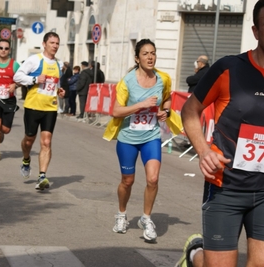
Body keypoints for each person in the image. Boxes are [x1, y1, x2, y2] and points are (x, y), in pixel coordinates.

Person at [175, 1, 264, 266]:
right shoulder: (229, 68)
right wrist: (203, 151)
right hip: (226, 186)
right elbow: (190, 111)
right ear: (256, 31)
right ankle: (194, 255)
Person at [103, 39, 172, 242]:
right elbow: (115, 111)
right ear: (137, 58)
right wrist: (141, 105)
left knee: (153, 178)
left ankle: (146, 218)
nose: (150, 57)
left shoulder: (163, 79)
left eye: (153, 53)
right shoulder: (127, 81)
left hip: (151, 136)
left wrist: (165, 111)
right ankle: (121, 215)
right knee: (128, 181)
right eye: (145, 54)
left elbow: (167, 98)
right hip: (128, 138)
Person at [13, 32, 65, 190]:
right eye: (52, 43)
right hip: (33, 106)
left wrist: (59, 91)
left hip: (50, 108)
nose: (55, 46)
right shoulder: (34, 60)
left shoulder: (59, 64)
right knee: (29, 140)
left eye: (57, 43)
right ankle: (26, 158)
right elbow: (17, 77)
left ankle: (42, 176)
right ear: (44, 44)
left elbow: (53, 85)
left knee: (46, 142)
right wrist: (34, 79)